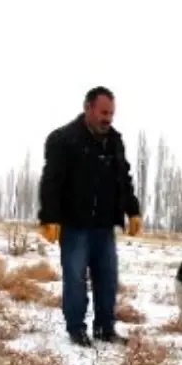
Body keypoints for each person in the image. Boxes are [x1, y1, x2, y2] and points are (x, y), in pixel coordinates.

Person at [37, 86, 143, 347]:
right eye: (103, 112)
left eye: (111, 113)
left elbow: (123, 179)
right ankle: (76, 328)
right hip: (75, 225)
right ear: (88, 108)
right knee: (75, 278)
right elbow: (51, 181)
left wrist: (133, 210)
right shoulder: (63, 139)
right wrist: (48, 218)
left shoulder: (114, 141)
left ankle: (105, 328)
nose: (108, 118)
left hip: (104, 225)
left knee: (107, 279)